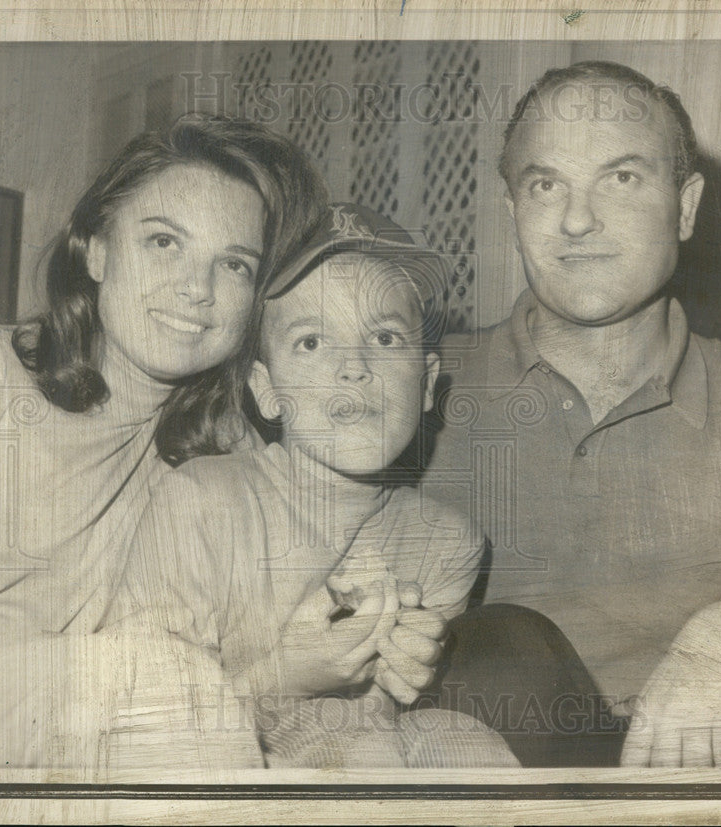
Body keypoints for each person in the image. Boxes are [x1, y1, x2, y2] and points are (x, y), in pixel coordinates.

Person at [0, 114, 328, 775]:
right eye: (164, 241)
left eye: (234, 263)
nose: (197, 288)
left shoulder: (221, 451)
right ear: (97, 250)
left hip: (66, 762)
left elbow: (220, 681)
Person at [419, 61, 721, 767]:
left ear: (685, 206)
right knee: (499, 650)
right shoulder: (407, 384)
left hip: (690, 778)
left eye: (622, 178)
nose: (578, 220)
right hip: (473, 782)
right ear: (510, 210)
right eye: (546, 183)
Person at [103, 204, 518, 768]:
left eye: (387, 337)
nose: (354, 367)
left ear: (425, 384)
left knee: (461, 739)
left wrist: (420, 663)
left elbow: (390, 712)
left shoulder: (448, 542)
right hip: (223, 772)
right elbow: (138, 725)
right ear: (267, 390)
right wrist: (284, 674)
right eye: (312, 342)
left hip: (366, 764)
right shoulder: (201, 501)